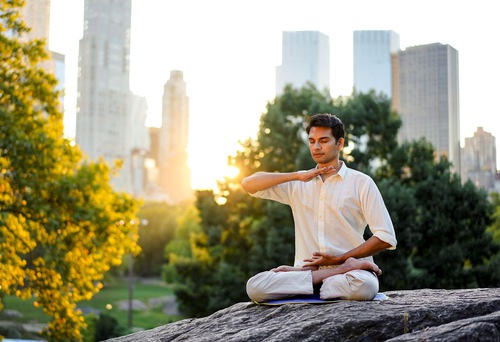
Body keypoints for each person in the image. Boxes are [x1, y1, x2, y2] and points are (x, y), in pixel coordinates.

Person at [242, 113, 397, 303]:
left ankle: (321, 282)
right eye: (312, 141)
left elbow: (385, 237)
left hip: (349, 274)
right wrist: (298, 176)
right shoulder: (299, 183)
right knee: (255, 286)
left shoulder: (362, 183)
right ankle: (324, 281)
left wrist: (340, 259)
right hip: (306, 272)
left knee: (364, 287)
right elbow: (248, 184)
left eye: (323, 141)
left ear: (339, 144)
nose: (316, 147)